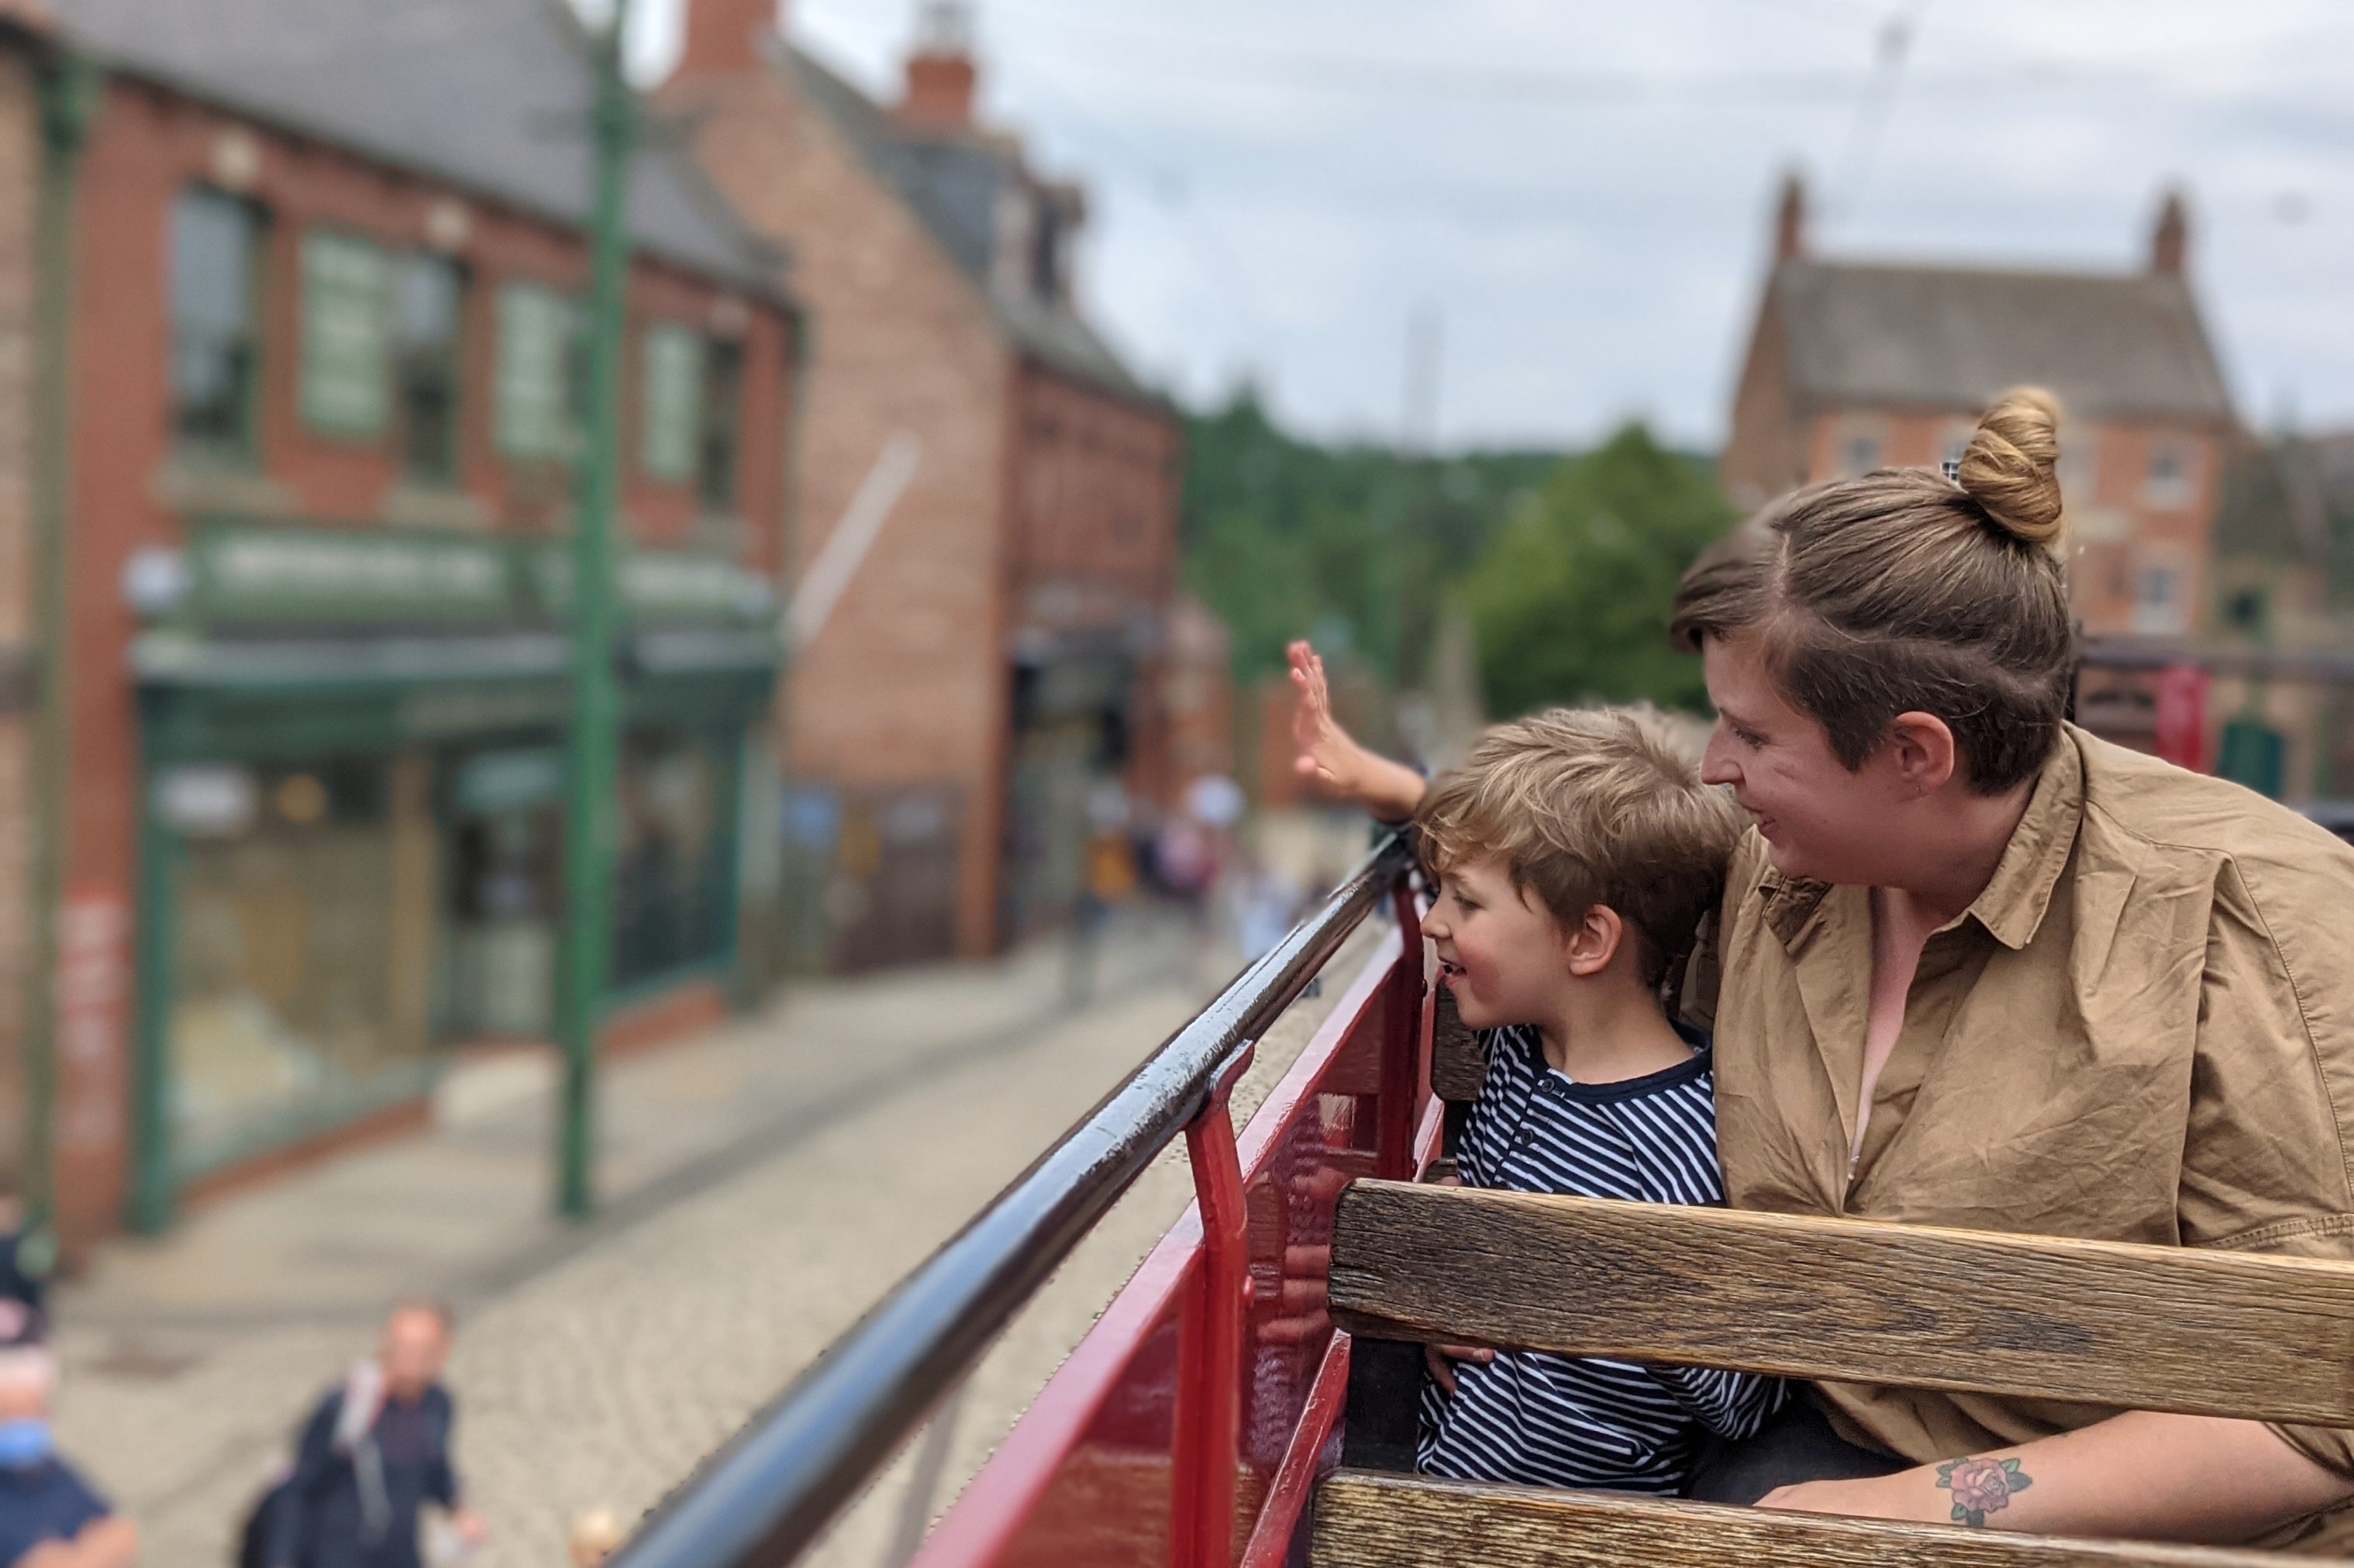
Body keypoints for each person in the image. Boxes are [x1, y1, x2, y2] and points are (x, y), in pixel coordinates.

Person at [1302, 388, 2354, 1550]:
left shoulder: (2249, 922)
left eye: (1752, 734)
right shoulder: (1776, 862)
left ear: (1914, 753)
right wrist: (1492, 1238)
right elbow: (1570, 877)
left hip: (2126, 1526)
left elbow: (2311, 1410)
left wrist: (1910, 1510)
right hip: (1801, 1449)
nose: (1715, 765)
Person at [1294, 667, 1778, 1491]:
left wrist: (1546, 1281)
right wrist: (1453, 1270)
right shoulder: (1522, 1049)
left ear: (1587, 941)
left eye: (1465, 903)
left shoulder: (1674, 1145)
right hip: (1447, 1485)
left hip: (1561, 1525)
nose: (1433, 921)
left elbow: (1739, 1398)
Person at [264, 1301, 484, 1568]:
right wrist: (280, 1559)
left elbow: (435, 1469)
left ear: (444, 1349)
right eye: (404, 1346)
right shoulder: (348, 1403)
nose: (413, 1358)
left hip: (400, 1554)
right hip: (337, 1554)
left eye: (424, 1349)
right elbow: (299, 1487)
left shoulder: (438, 1405)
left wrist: (458, 1510)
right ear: (384, 1341)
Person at [0, 1336, 136, 1568]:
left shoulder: (46, 1465)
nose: (22, 1426)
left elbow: (121, 1532)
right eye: (9, 1415)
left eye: (32, 1412)